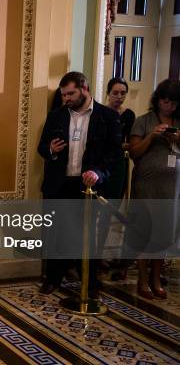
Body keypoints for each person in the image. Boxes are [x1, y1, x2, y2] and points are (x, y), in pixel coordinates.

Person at [37, 71, 122, 297]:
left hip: (88, 187)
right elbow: (42, 148)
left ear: (85, 89)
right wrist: (51, 151)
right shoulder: (56, 115)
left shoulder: (107, 117)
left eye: (71, 93)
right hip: (59, 184)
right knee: (57, 234)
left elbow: (114, 155)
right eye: (64, 94)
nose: (66, 98)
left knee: (85, 237)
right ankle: (53, 279)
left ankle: (90, 284)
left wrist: (98, 172)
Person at [127, 78, 180, 300]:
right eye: (166, 102)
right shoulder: (143, 121)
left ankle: (157, 277)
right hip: (146, 184)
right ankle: (142, 278)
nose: (170, 106)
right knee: (144, 229)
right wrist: (153, 135)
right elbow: (134, 152)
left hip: (171, 185)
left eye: (175, 103)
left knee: (163, 231)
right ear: (158, 100)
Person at [96, 78, 135, 274]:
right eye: (115, 93)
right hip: (103, 165)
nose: (119, 97)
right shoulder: (100, 113)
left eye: (123, 93)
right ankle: (91, 255)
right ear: (108, 93)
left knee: (111, 211)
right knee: (97, 210)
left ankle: (101, 254)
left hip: (120, 165)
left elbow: (130, 141)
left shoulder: (128, 115)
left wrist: (124, 147)